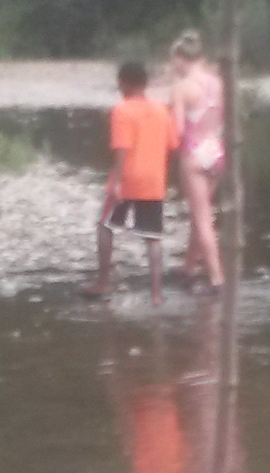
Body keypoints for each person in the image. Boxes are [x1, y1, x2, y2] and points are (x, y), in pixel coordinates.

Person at [94, 59, 180, 299]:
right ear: (145, 83)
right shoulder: (161, 110)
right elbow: (172, 145)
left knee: (105, 226)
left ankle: (103, 282)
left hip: (127, 180)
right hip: (154, 181)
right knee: (153, 238)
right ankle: (156, 294)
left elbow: (122, 148)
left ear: (124, 83)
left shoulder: (122, 110)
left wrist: (116, 183)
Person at [167, 30, 230, 291]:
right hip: (216, 151)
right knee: (199, 213)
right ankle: (190, 267)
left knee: (202, 217)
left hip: (193, 155)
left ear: (181, 58)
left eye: (173, 60)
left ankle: (217, 278)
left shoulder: (181, 88)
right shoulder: (218, 83)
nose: (172, 65)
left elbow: (178, 130)